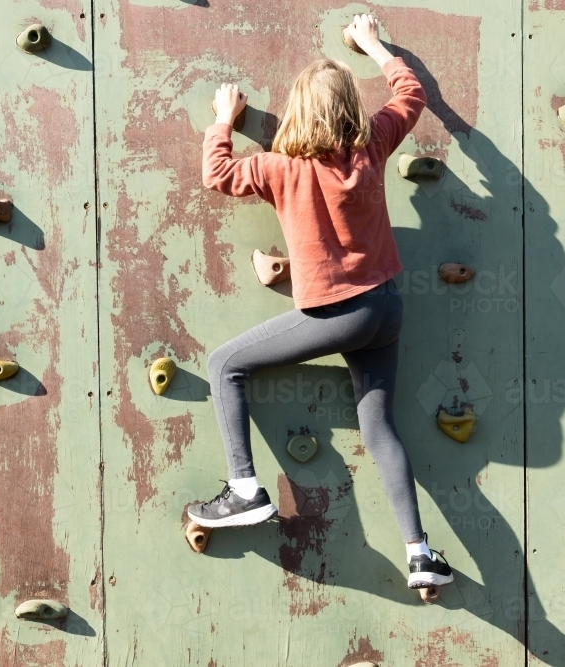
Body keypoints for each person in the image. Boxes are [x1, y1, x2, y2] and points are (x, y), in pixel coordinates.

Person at [187, 14, 453, 590]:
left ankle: (244, 490)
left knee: (224, 365)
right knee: (379, 427)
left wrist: (221, 120)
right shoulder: (374, 145)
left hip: (336, 315)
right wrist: (373, 45)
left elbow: (217, 174)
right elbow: (412, 93)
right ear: (348, 110)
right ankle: (420, 552)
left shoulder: (278, 169)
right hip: (385, 310)